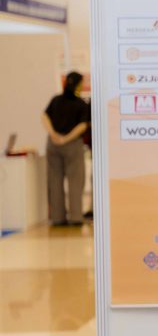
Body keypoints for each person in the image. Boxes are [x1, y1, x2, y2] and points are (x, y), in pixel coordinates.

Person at [42, 71, 90, 226]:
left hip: (53, 143)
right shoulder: (81, 104)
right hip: (72, 144)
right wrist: (66, 138)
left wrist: (53, 134)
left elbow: (44, 116)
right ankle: (76, 217)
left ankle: (57, 218)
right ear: (78, 85)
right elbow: (82, 126)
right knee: (75, 181)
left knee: (54, 180)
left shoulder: (56, 100)